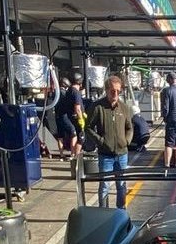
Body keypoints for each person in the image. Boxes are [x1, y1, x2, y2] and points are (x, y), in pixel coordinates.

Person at [85, 74, 133, 209]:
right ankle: (103, 212)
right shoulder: (97, 107)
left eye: (118, 91)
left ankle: (121, 211)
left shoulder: (124, 108)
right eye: (112, 91)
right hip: (105, 155)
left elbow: (129, 127)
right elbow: (88, 127)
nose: (115, 94)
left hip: (122, 154)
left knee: (121, 185)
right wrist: (101, 141)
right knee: (105, 185)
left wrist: (126, 141)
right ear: (106, 90)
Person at [57, 72, 85, 158]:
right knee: (80, 137)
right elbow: (77, 108)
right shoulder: (76, 92)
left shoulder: (68, 91)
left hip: (66, 116)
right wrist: (81, 119)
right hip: (74, 117)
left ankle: (70, 154)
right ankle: (75, 155)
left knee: (63, 136)